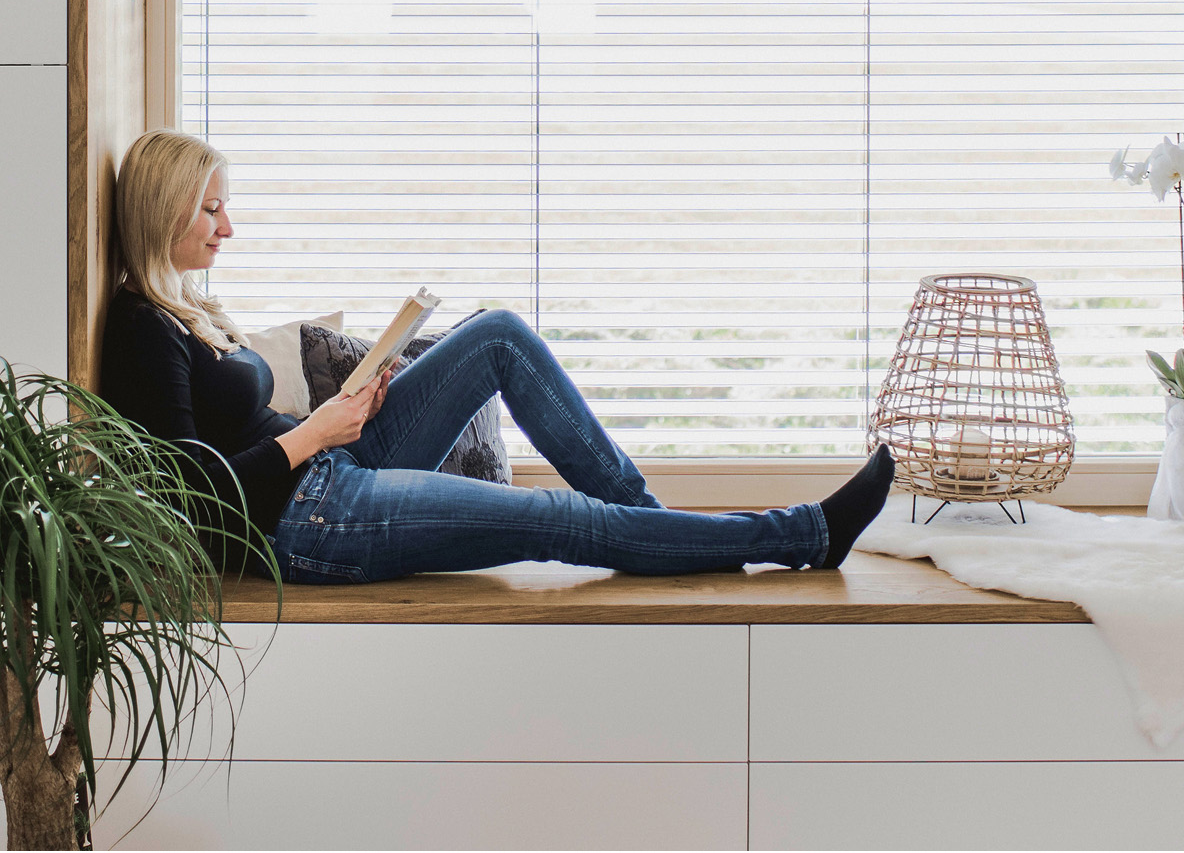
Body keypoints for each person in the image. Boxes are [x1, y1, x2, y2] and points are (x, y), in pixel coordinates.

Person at [101, 129, 895, 584]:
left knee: (499, 333)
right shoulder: (142, 328)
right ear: (161, 209)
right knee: (561, 519)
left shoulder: (186, 308)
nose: (228, 227)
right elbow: (187, 501)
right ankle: (801, 535)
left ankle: (655, 531)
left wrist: (349, 409)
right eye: (210, 209)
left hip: (331, 467)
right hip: (308, 521)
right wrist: (317, 433)